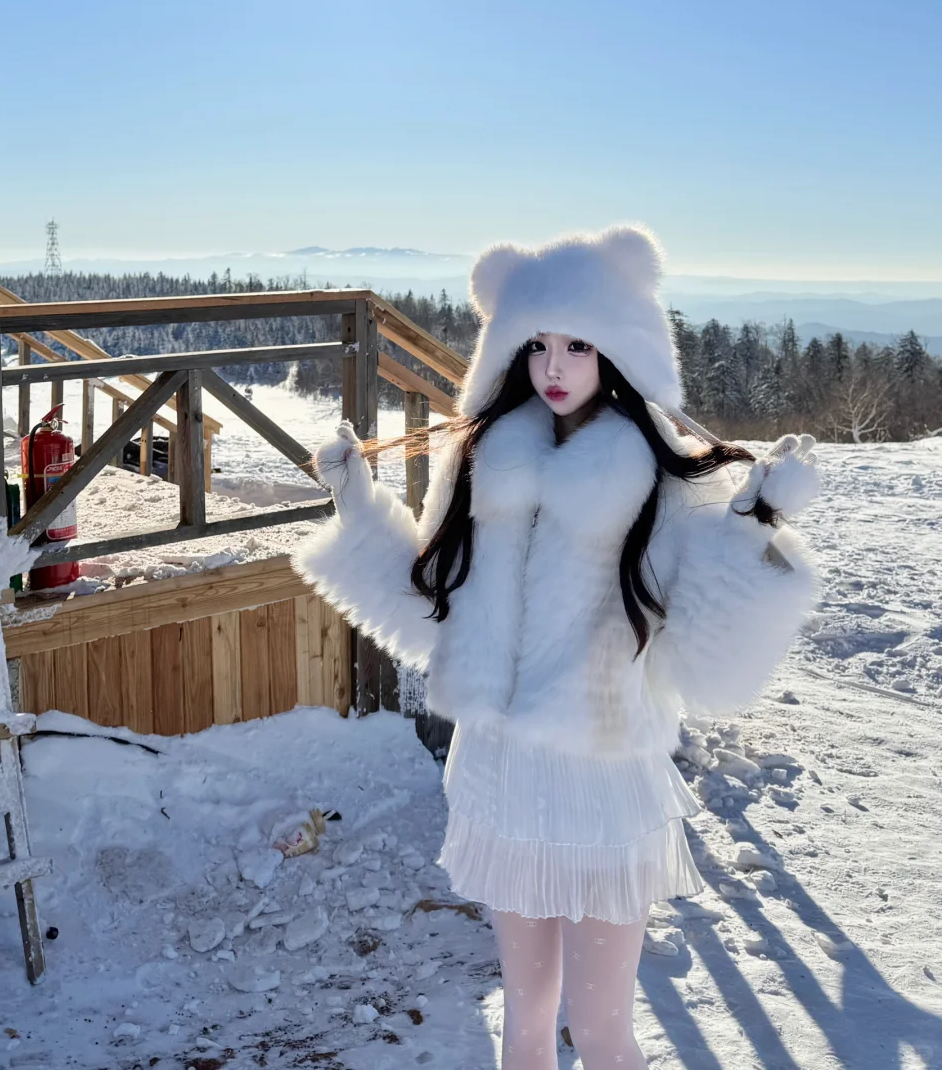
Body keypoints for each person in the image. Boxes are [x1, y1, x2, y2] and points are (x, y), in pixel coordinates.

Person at [292, 226, 820, 1070]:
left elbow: (708, 643)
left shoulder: (665, 473)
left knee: (605, 1030)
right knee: (525, 1022)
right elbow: (434, 606)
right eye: (536, 344)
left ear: (622, 348)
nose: (555, 366)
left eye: (578, 343)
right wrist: (355, 503)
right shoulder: (483, 460)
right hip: (500, 773)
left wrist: (759, 526)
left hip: (602, 785)